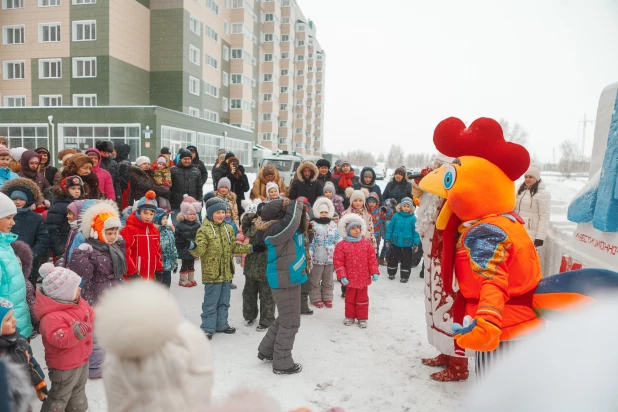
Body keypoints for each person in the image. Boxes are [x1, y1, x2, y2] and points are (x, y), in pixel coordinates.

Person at [69, 200, 125, 380]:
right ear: (98, 231)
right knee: (97, 334)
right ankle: (95, 368)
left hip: (114, 294)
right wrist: (80, 255)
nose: (113, 236)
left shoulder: (113, 248)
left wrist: (121, 245)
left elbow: (121, 270)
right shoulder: (91, 249)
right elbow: (84, 273)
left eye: (115, 232)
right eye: (109, 232)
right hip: (97, 295)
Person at [189, 197, 255, 340]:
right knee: (211, 302)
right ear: (211, 213)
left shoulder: (228, 228)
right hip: (212, 273)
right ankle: (207, 327)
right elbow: (199, 250)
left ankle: (222, 324)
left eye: (223, 212)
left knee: (224, 301)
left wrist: (251, 248)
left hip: (226, 273)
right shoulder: (204, 230)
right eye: (217, 212)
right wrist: (192, 246)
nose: (221, 215)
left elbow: (233, 247)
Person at [256, 197, 308, 375]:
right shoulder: (275, 231)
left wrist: (300, 211)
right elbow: (292, 221)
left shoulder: (284, 231)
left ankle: (266, 350)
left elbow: (298, 224)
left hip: (289, 278)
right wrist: (296, 205)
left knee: (286, 317)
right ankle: (282, 362)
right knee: (291, 322)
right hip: (284, 280)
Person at [34, 263, 93, 412]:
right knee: (60, 396)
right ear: (63, 294)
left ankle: (76, 408)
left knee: (78, 390)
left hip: (81, 360)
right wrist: (76, 332)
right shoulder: (51, 317)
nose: (80, 289)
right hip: (63, 367)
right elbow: (59, 339)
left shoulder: (78, 303)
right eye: (75, 288)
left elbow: (90, 314)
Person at [0, 178, 50, 287]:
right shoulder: (3, 218)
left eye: (21, 199)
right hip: (7, 259)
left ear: (28, 200)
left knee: (28, 288)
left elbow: (43, 240)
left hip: (30, 262)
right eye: (14, 199)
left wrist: (32, 254)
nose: (18, 202)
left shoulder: (37, 219)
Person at [334, 214, 379, 328]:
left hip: (363, 278)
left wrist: (374, 271)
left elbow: (371, 259)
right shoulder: (342, 245)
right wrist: (342, 275)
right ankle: (350, 316)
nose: (356, 230)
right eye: (353, 228)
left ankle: (362, 317)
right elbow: (339, 262)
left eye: (358, 228)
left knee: (362, 299)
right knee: (350, 299)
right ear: (348, 231)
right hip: (350, 279)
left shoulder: (366, 244)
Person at [0, 299, 48, 406]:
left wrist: (40, 384)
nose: (14, 320)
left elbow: (31, 364)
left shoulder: (20, 341)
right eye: (8, 319)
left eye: (13, 316)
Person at [0, 192, 33, 339]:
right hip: (7, 331)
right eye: (8, 218)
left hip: (17, 322)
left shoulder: (6, 246)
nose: (13, 222)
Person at [239, 202, 275, 332]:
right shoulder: (254, 224)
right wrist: (248, 217)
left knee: (267, 295)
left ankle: (267, 320)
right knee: (249, 293)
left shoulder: (274, 225)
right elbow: (246, 230)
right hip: (251, 266)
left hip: (267, 266)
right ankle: (249, 316)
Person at [121, 190, 164, 281]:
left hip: (149, 276)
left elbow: (157, 252)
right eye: (145, 213)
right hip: (133, 277)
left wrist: (159, 269)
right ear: (139, 212)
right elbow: (125, 252)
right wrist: (132, 272)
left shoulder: (155, 231)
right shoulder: (129, 229)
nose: (148, 217)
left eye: (151, 214)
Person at [308, 197, 341, 309]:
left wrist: (340, 250)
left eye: (326, 212)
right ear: (317, 212)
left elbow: (338, 239)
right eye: (321, 212)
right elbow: (310, 240)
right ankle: (316, 298)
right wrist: (310, 253)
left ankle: (327, 297)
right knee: (315, 279)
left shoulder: (332, 224)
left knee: (328, 279)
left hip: (330, 258)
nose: (323, 214)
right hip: (317, 257)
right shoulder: (312, 224)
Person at [45, 175, 84, 260]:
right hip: (63, 246)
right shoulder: (58, 206)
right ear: (65, 189)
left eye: (79, 189)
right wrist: (58, 249)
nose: (77, 191)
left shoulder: (81, 204)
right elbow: (52, 229)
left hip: (77, 246)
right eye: (73, 189)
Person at [384, 197, 421, 283]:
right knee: (393, 258)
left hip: (407, 244)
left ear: (411, 208)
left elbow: (415, 232)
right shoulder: (396, 216)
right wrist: (387, 239)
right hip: (395, 242)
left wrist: (416, 243)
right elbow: (390, 228)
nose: (406, 208)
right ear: (401, 207)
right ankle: (391, 272)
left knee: (406, 260)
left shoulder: (413, 218)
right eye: (404, 206)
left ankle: (404, 276)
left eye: (408, 206)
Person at [516, 164, 551, 248]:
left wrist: (540, 237)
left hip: (531, 232)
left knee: (529, 258)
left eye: (531, 177)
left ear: (537, 178)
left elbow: (544, 216)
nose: (527, 179)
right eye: (526, 177)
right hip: (517, 230)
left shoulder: (543, 194)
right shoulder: (520, 191)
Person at [175, 195, 202, 288]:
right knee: (185, 263)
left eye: (194, 214)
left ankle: (191, 278)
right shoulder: (180, 225)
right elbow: (177, 237)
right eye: (190, 214)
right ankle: (182, 279)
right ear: (185, 215)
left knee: (191, 263)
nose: (192, 216)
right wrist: (182, 244)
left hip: (193, 248)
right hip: (184, 248)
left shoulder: (197, 225)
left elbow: (199, 237)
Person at [170, 149, 203, 219]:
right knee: (177, 225)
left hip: (192, 203)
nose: (187, 161)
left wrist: (200, 200)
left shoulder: (196, 171)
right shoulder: (173, 170)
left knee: (193, 225)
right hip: (177, 203)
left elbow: (199, 188)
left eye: (189, 159)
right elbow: (170, 187)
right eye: (185, 159)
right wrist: (171, 201)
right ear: (181, 159)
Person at [366, 192, 393, 265]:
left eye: (373, 202)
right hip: (367, 234)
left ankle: (375, 261)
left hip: (377, 235)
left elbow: (388, 217)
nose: (371, 204)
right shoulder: (365, 212)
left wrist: (388, 209)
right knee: (367, 248)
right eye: (370, 202)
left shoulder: (380, 211)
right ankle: (367, 261)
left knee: (375, 248)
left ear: (377, 202)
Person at [154, 208, 177, 289]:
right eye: (163, 219)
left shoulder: (169, 230)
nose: (166, 220)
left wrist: (174, 261)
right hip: (160, 264)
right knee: (159, 284)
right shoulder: (155, 232)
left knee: (167, 283)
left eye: (166, 218)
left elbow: (173, 247)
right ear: (156, 220)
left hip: (168, 263)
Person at [113, 143, 131, 208]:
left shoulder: (124, 164)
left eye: (114, 150)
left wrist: (117, 193)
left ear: (119, 152)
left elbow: (123, 183)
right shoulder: (118, 161)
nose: (113, 152)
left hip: (122, 194)